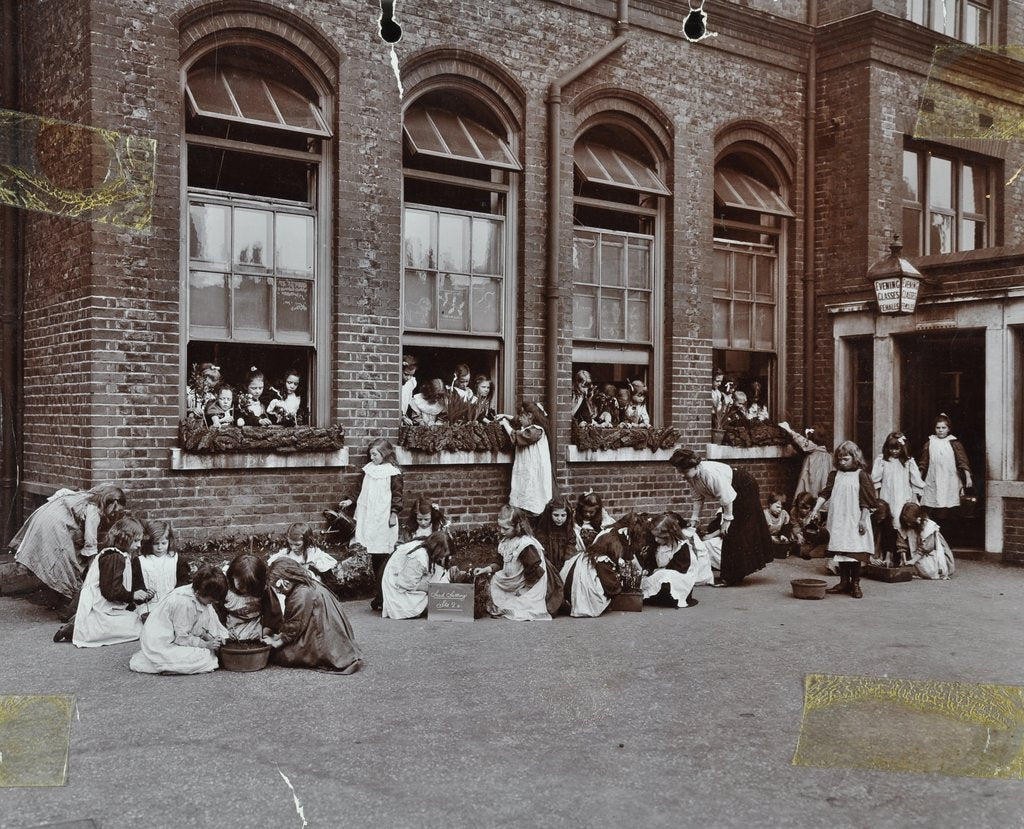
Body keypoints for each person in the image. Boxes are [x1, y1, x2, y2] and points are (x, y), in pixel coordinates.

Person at [669, 448, 773, 587]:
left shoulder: (708, 473)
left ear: (696, 466)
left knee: (733, 531)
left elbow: (726, 495)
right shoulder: (692, 477)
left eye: (684, 471)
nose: (682, 475)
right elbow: (697, 498)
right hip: (732, 493)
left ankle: (731, 578)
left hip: (744, 486)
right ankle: (733, 575)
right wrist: (694, 520)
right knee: (731, 531)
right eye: (680, 472)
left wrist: (727, 520)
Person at [10, 484, 127, 601]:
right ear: (114, 503)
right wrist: (93, 570)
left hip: (43, 516)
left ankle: (59, 597)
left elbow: (61, 493)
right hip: (53, 526)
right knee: (65, 564)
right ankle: (73, 599)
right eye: (116, 510)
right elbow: (90, 541)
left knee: (58, 560)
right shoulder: (94, 510)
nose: (114, 514)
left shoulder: (84, 496)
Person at [63, 516, 154, 647]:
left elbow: (122, 586)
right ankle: (78, 627)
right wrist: (132, 595)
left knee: (137, 621)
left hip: (108, 608)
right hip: (100, 608)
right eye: (136, 541)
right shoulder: (114, 558)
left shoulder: (123, 556)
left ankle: (81, 625)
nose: (139, 545)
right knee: (140, 628)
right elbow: (111, 591)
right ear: (124, 538)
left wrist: (141, 593)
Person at [262, 558, 363, 674]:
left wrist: (278, 642)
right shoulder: (309, 583)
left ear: (285, 582)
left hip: (321, 635)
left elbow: (295, 624)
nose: (279, 591)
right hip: (328, 630)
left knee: (280, 655)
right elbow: (296, 620)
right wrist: (280, 635)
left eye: (278, 587)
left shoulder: (300, 595)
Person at [807, 440, 879, 599]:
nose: (842, 462)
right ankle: (844, 581)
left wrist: (862, 519)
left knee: (853, 550)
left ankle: (855, 583)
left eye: (846, 459)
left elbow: (866, 500)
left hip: (855, 518)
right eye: (840, 459)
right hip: (839, 517)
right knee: (842, 550)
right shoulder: (835, 475)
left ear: (855, 458)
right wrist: (815, 509)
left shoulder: (861, 475)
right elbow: (825, 493)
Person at [128, 565, 230, 675]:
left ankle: (169, 664)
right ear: (200, 593)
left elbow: (205, 624)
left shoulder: (199, 593)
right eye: (211, 599)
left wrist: (216, 637)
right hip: (164, 645)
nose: (214, 602)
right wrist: (205, 644)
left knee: (211, 655)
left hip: (177, 640)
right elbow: (181, 637)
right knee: (207, 658)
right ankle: (163, 665)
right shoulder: (184, 602)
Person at [340, 438, 402, 612]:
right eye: (370, 455)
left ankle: (383, 595)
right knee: (374, 554)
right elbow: (358, 489)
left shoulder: (393, 473)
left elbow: (397, 496)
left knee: (384, 554)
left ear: (385, 454)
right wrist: (349, 501)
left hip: (383, 518)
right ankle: (379, 593)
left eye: (375, 454)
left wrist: (394, 514)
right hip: (369, 517)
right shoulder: (368, 470)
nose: (372, 457)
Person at [479, 505, 551, 621]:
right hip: (513, 581)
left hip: (528, 583)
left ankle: (514, 603)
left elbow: (534, 569)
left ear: (517, 526)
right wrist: (486, 569)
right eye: (500, 528)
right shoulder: (505, 542)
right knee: (494, 580)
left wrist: (526, 588)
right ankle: (504, 603)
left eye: (506, 529)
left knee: (521, 607)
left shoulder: (525, 544)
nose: (502, 531)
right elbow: (500, 562)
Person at [381, 531, 453, 619]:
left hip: (405, 577)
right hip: (396, 585)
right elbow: (405, 583)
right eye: (441, 555)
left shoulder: (425, 546)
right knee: (434, 603)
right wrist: (431, 588)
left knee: (440, 582)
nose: (442, 558)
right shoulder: (419, 557)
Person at [639, 512, 705, 608]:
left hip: (680, 578)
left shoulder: (681, 546)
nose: (656, 539)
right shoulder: (656, 546)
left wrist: (662, 570)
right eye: (654, 537)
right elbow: (652, 562)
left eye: (659, 537)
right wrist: (648, 570)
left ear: (668, 535)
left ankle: (668, 597)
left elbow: (682, 568)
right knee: (645, 581)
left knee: (665, 579)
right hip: (660, 574)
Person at [498, 401, 552, 516]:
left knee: (533, 495)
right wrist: (506, 416)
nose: (519, 420)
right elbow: (518, 421)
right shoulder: (529, 426)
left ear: (530, 416)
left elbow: (518, 438)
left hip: (534, 470)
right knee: (524, 493)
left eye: (522, 416)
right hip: (526, 468)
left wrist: (505, 424)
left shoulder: (536, 430)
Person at [559, 525, 626, 617]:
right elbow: (608, 583)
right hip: (585, 592)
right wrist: (618, 588)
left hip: (567, 588)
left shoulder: (585, 555)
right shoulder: (602, 560)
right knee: (600, 586)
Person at [919, 413, 973, 523]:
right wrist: (919, 478)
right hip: (934, 477)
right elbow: (923, 462)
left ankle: (948, 526)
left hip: (950, 478)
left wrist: (968, 477)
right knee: (933, 503)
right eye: (938, 428)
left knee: (949, 504)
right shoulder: (930, 443)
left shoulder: (954, 443)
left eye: (943, 428)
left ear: (948, 429)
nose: (940, 430)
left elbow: (962, 461)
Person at [871, 431, 925, 536]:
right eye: (891, 448)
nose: (894, 451)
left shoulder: (908, 462)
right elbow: (876, 480)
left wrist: (914, 498)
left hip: (904, 495)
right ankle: (889, 549)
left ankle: (903, 548)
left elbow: (915, 481)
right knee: (888, 520)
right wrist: (877, 497)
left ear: (903, 448)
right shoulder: (882, 461)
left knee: (904, 519)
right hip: (887, 495)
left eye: (897, 449)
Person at [267, 522, 341, 595]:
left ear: (307, 542)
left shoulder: (314, 555)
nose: (293, 548)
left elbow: (328, 579)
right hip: (289, 588)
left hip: (309, 588)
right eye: (290, 544)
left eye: (297, 544)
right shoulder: (285, 554)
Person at [135, 520, 190, 617]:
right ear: (148, 542)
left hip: (173, 605)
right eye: (156, 544)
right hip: (150, 606)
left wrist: (175, 596)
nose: (160, 547)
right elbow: (136, 585)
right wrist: (145, 593)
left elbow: (183, 582)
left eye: (164, 543)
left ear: (169, 541)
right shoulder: (140, 561)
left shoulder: (176, 559)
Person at [898, 503, 955, 580]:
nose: (908, 524)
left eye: (910, 522)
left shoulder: (928, 526)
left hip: (929, 552)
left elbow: (927, 547)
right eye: (906, 522)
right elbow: (902, 544)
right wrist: (904, 559)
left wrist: (913, 561)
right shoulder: (905, 526)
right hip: (914, 552)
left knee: (930, 571)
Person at [222, 554, 272, 641]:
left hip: (254, 625)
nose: (245, 590)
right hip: (232, 626)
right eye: (241, 585)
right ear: (232, 576)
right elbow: (218, 614)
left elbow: (271, 615)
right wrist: (223, 631)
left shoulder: (263, 590)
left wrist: (262, 633)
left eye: (250, 586)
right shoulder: (225, 590)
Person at [778, 422, 833, 500]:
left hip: (813, 486)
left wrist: (789, 430)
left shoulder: (813, 448)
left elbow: (802, 442)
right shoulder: (828, 456)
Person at [535, 497, 575, 573]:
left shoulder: (569, 530)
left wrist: (567, 562)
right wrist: (547, 563)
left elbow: (571, 546)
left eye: (563, 515)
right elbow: (541, 548)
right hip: (548, 564)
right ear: (550, 514)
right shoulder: (543, 530)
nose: (559, 519)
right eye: (556, 515)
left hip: (564, 564)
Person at [763, 492, 796, 558]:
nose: (779, 510)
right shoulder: (765, 515)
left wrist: (783, 535)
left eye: (781, 508)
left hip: (778, 537)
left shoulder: (783, 514)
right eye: (777, 507)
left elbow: (786, 526)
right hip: (766, 538)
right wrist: (769, 537)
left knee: (786, 543)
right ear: (770, 504)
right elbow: (761, 530)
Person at [399, 352, 418, 423]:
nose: (408, 378)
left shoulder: (411, 383)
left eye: (411, 375)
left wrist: (404, 416)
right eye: (406, 374)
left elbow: (406, 401)